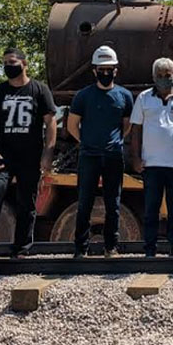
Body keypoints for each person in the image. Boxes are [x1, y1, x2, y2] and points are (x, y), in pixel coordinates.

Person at [0, 48, 57, 261]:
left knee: (27, 202)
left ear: (24, 64)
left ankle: (21, 249)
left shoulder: (40, 90)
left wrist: (48, 154)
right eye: (5, 62)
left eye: (12, 61)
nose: (8, 65)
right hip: (4, 156)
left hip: (30, 156)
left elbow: (50, 123)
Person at [67, 46, 133, 258]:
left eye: (109, 69)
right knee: (84, 202)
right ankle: (80, 249)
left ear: (116, 70)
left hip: (113, 156)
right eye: (101, 69)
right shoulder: (83, 96)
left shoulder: (124, 96)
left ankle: (110, 247)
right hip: (89, 156)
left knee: (113, 203)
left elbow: (127, 124)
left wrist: (115, 142)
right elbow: (72, 125)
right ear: (94, 71)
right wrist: (86, 142)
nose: (106, 73)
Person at [130, 57, 173, 257]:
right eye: (159, 76)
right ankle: (150, 249)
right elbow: (136, 130)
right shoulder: (143, 98)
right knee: (151, 210)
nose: (163, 79)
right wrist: (136, 157)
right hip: (151, 164)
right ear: (153, 77)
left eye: (167, 76)